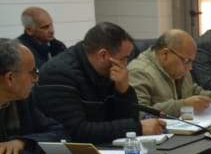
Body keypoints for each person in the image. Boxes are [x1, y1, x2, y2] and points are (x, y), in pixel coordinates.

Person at [35, 22, 164, 143]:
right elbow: (75, 131)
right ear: (103, 55)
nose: (126, 65)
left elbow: (126, 119)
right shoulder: (58, 74)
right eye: (124, 58)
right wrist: (136, 128)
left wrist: (123, 91)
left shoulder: (110, 70)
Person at [0, 39, 66, 154]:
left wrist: (23, 142)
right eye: (33, 73)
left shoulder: (22, 100)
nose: (36, 79)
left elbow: (60, 133)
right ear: (10, 78)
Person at [127, 29, 211, 117]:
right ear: (165, 54)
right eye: (186, 60)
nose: (190, 67)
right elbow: (140, 114)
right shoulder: (139, 72)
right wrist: (183, 105)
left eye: (191, 61)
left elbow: (193, 91)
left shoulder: (180, 67)